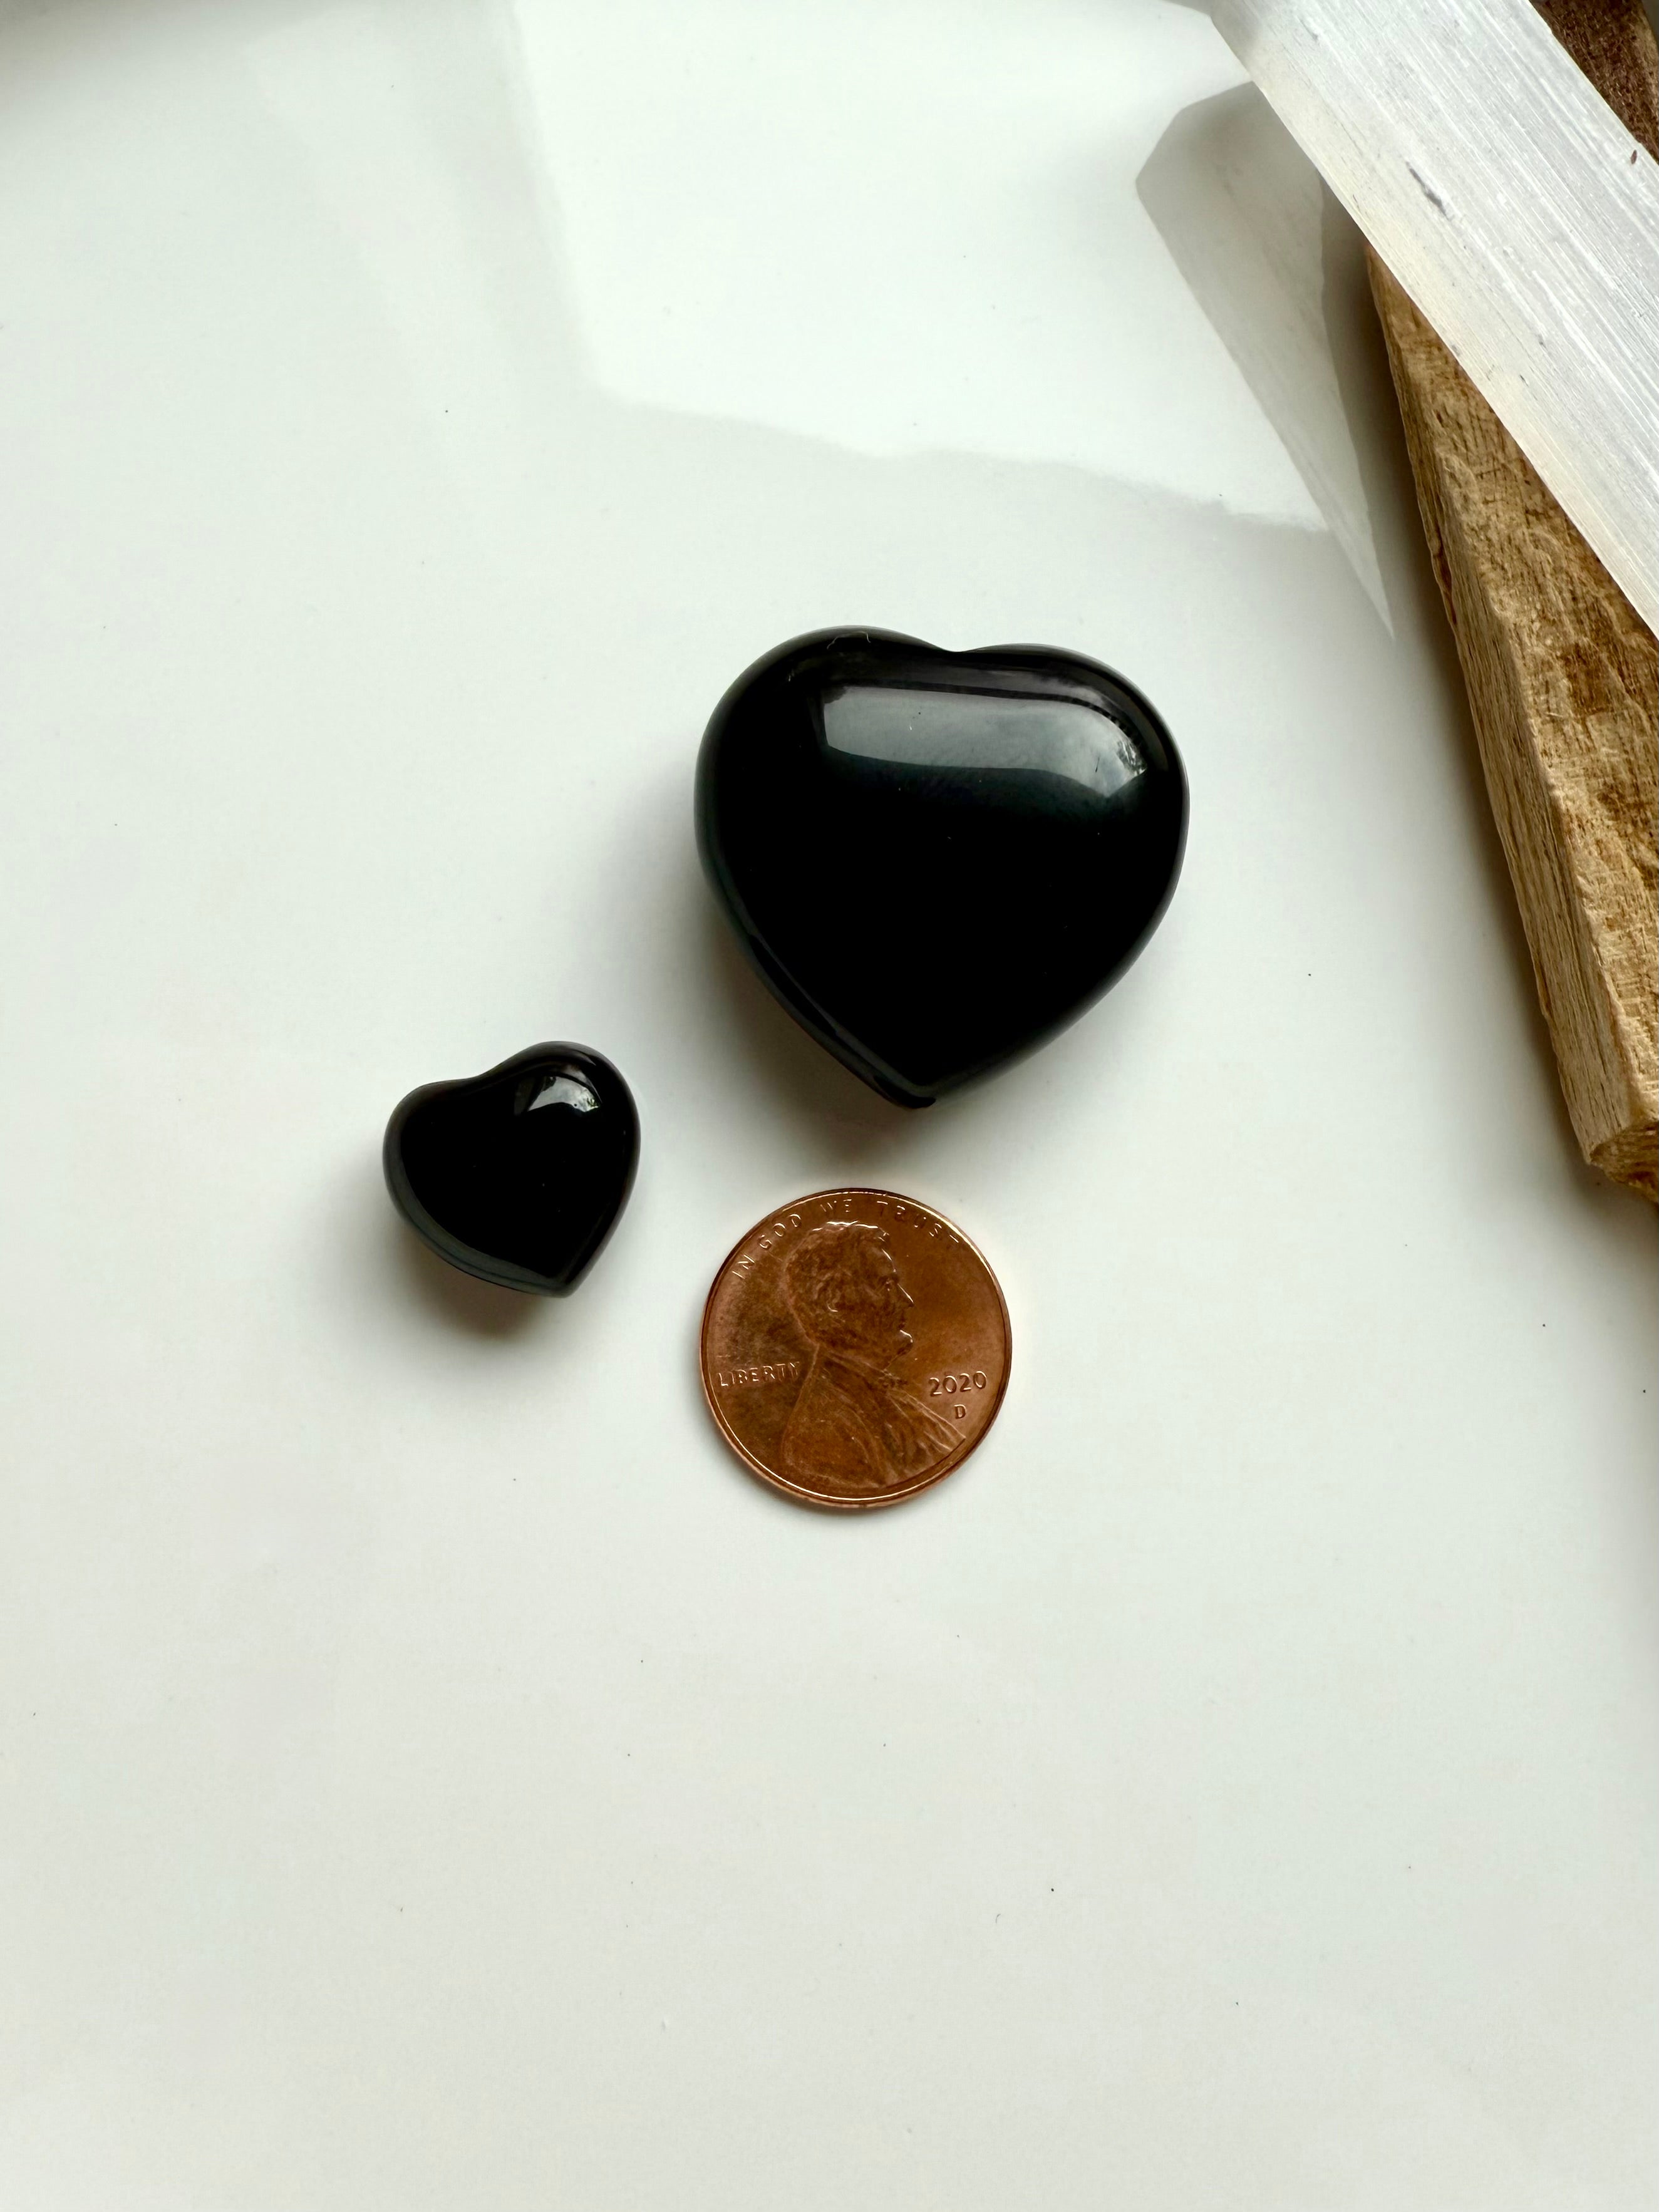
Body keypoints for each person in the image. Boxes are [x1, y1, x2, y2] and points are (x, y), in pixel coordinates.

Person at [777, 1221, 960, 1494]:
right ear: (835, 1301)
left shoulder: (884, 1398)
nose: (906, 1300)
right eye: (886, 1285)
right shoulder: (821, 1436)